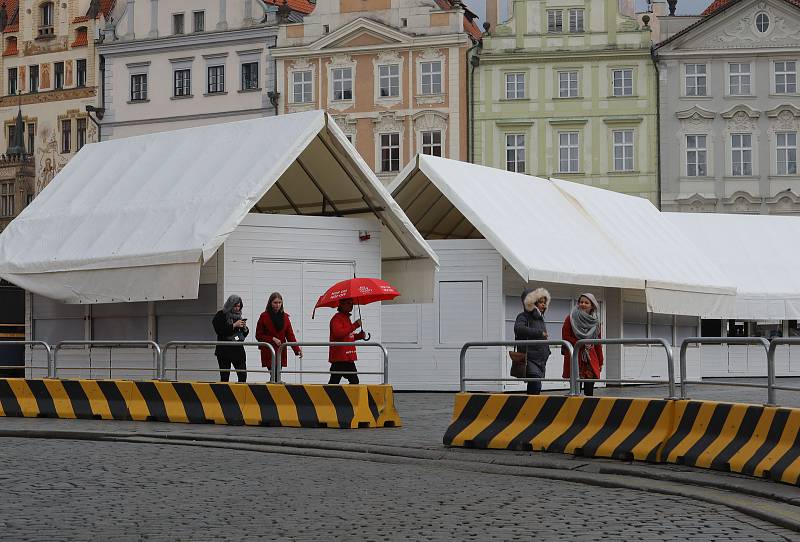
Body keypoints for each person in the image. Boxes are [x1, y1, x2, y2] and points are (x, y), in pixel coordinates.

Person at [562, 293, 603, 396]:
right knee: (576, 389)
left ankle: (589, 411)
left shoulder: (595, 322)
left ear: (592, 305)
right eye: (581, 302)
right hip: (576, 356)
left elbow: (597, 342)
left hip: (590, 359)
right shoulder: (570, 318)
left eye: (586, 302)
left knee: (589, 390)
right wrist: (580, 343)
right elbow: (565, 336)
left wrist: (600, 361)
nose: (583, 304)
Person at [514, 288, 551, 395]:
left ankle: (531, 409)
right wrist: (539, 333)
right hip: (530, 357)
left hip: (541, 358)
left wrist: (547, 351)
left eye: (545, 302)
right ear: (532, 302)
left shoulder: (540, 318)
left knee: (536, 387)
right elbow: (519, 328)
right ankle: (530, 409)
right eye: (540, 302)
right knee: (535, 385)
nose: (543, 305)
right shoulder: (523, 316)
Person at [255, 292, 302, 378]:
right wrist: (272, 338)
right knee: (275, 375)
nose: (277, 305)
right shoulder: (264, 316)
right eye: (275, 302)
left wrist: (297, 349)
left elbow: (290, 335)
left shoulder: (285, 317)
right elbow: (258, 335)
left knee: (277, 375)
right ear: (270, 303)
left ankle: (274, 389)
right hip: (269, 351)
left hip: (280, 350)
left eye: (279, 302)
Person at [328, 298, 366, 384]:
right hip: (340, 357)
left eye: (352, 303)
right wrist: (355, 325)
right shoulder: (336, 319)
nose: (351, 305)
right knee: (336, 382)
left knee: (340, 381)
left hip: (347, 357)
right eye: (348, 303)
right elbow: (338, 334)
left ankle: (333, 396)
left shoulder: (346, 318)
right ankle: (329, 396)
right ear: (341, 304)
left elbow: (348, 336)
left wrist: (359, 336)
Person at [212, 295, 249, 383]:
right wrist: (233, 325)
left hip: (237, 350)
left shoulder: (238, 316)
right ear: (230, 305)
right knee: (224, 377)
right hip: (224, 351)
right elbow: (219, 330)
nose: (237, 308)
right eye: (235, 306)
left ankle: (241, 395)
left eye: (239, 306)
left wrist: (244, 329)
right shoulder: (220, 315)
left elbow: (242, 335)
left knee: (242, 376)